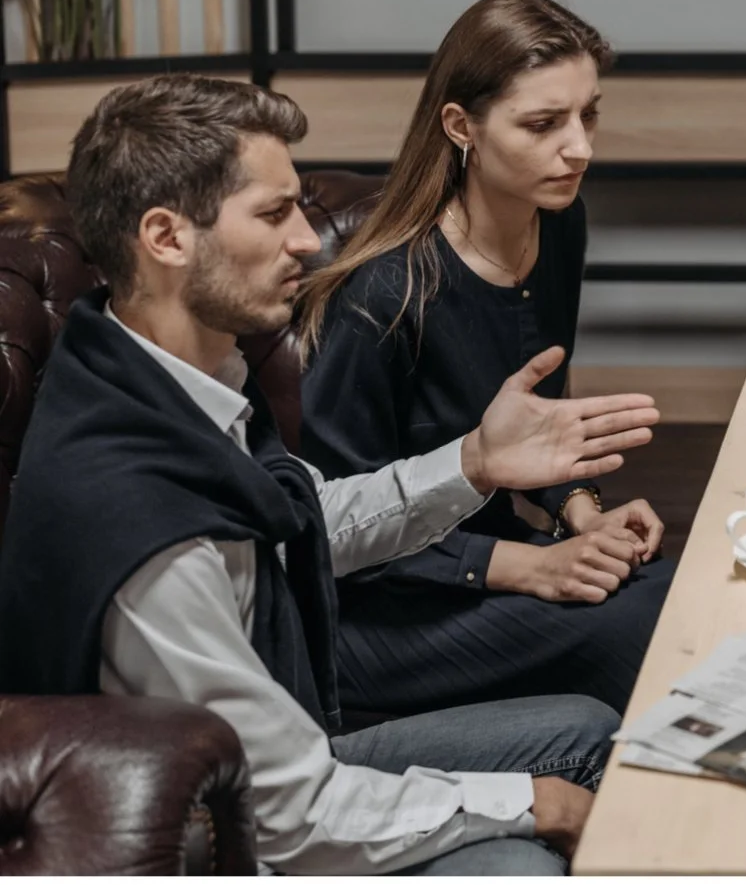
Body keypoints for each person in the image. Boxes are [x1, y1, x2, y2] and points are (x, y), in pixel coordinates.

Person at [0, 76, 658, 873]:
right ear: (167, 237)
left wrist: (472, 462)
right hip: (216, 833)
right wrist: (530, 803)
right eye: (273, 213)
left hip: (280, 752)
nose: (309, 240)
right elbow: (290, 816)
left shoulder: (150, 368)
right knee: (519, 859)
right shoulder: (146, 538)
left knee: (587, 731)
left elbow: (298, 516)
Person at [295, 0, 672, 719]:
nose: (580, 148)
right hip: (378, 616)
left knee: (672, 590)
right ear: (460, 125)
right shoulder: (384, 293)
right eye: (543, 123)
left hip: (491, 565)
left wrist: (583, 515)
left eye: (588, 114)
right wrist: (533, 566)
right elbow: (331, 530)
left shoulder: (557, 221)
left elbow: (536, 420)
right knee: (647, 625)